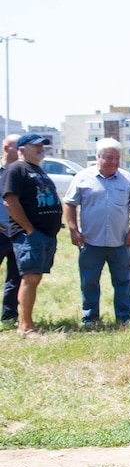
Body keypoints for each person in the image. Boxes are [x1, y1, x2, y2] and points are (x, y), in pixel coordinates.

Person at [62, 139, 130, 328]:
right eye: (109, 158)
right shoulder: (83, 177)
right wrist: (74, 230)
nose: (114, 163)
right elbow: (70, 203)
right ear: (98, 157)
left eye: (117, 158)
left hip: (120, 241)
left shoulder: (127, 179)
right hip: (91, 242)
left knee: (123, 280)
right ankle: (90, 318)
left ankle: (124, 317)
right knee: (89, 281)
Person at [1, 133, 63, 338]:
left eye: (42, 146)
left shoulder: (36, 170)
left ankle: (27, 322)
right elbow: (10, 201)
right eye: (35, 146)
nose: (41, 149)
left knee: (34, 278)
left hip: (44, 235)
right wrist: (29, 229)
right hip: (29, 235)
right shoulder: (16, 169)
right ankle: (25, 326)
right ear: (21, 149)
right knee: (30, 277)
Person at [0, 133, 23, 327]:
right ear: (7, 149)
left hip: (16, 233)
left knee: (16, 277)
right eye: (19, 147)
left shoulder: (22, 172)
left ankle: (9, 316)